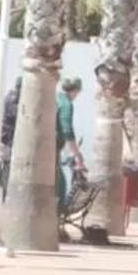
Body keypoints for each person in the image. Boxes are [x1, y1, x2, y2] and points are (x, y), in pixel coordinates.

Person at [56, 77, 86, 221]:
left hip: (51, 148)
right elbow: (67, 131)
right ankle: (57, 220)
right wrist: (77, 155)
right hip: (52, 148)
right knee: (60, 185)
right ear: (75, 91)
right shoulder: (66, 104)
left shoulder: (55, 98)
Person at [0, 77, 22, 203]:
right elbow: (19, 116)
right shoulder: (12, 100)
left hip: (10, 140)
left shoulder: (13, 98)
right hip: (7, 140)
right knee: (7, 168)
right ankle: (4, 196)